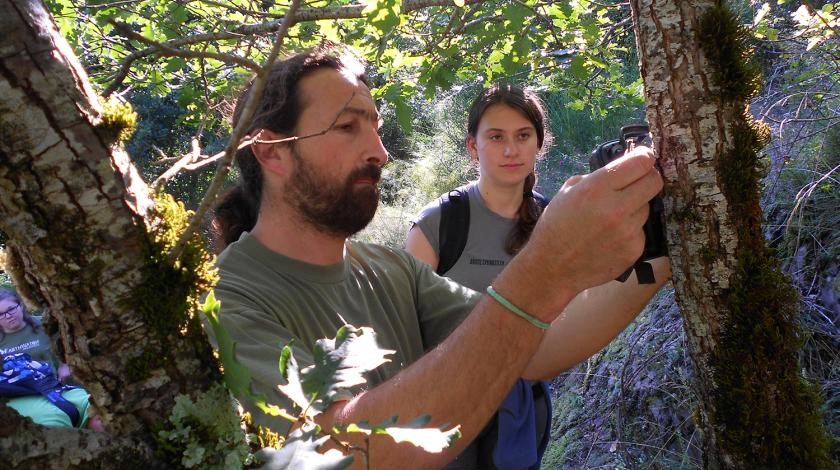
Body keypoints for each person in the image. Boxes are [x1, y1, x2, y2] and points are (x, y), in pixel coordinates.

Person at [212, 44, 668, 468]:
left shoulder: (390, 270)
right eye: (348, 126)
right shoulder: (228, 301)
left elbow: (533, 349)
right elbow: (342, 454)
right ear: (272, 151)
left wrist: (662, 248)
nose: (380, 152)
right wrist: (545, 267)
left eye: (376, 127)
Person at [404, 84, 553, 469]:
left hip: (521, 411)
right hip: (443, 413)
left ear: (538, 144)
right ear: (473, 147)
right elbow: (404, 329)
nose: (510, 149)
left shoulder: (553, 224)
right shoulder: (440, 223)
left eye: (523, 136)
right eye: (496, 137)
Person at [0, 289, 100, 430]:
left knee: (100, 415)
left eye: (11, 309)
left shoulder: (42, 326)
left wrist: (65, 365)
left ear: (20, 305)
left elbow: (70, 343)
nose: (8, 316)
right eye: (1, 314)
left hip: (54, 386)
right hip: (19, 393)